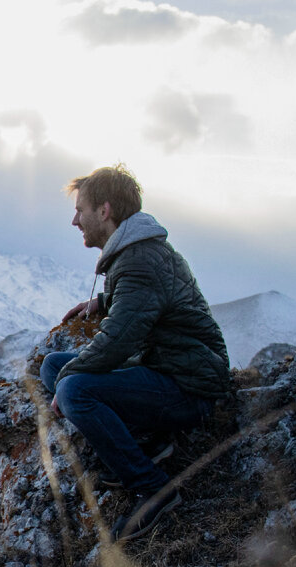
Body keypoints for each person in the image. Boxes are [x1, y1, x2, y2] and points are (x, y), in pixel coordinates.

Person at [40, 164, 231, 542]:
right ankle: (152, 442)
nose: (74, 220)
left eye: (81, 210)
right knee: (52, 366)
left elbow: (117, 342)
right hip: (165, 369)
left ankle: (153, 488)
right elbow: (145, 302)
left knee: (73, 389)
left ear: (105, 211)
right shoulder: (136, 254)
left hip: (188, 387)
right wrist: (103, 301)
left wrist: (67, 384)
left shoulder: (138, 260)